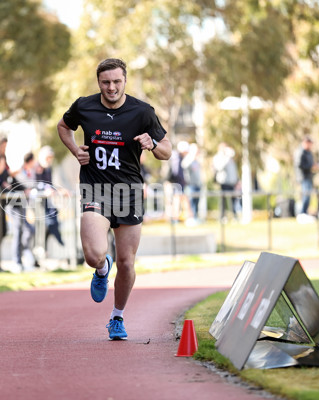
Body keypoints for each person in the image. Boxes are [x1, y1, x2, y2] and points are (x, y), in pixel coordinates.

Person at [57, 58, 172, 340]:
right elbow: (63, 126)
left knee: (128, 262)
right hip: (95, 188)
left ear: (125, 81)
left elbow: (167, 150)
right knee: (93, 255)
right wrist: (75, 150)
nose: (111, 87)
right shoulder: (84, 105)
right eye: (106, 82)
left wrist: (153, 144)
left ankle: (117, 317)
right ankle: (101, 268)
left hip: (128, 192)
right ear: (99, 83)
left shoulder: (142, 112)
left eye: (117, 82)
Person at [35, 145, 64, 250]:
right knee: (45, 225)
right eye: (48, 158)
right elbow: (34, 184)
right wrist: (44, 191)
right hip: (37, 202)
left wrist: (58, 190)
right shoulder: (37, 167)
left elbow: (49, 184)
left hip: (48, 201)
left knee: (53, 221)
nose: (49, 161)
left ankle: (48, 247)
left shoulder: (48, 169)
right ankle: (59, 245)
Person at [212, 143, 239, 221]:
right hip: (223, 182)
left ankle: (234, 216)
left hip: (232, 182)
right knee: (223, 200)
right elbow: (219, 167)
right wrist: (226, 158)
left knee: (233, 200)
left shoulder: (230, 158)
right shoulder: (217, 157)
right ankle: (222, 216)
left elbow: (234, 170)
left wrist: (237, 180)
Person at [295, 136, 319, 218]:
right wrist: (311, 166)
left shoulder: (308, 153)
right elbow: (299, 165)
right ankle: (302, 213)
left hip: (309, 177)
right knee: (305, 196)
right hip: (304, 177)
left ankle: (305, 212)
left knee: (308, 196)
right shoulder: (301, 152)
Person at [182, 142, 202, 224]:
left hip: (197, 184)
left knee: (197, 202)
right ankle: (191, 218)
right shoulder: (188, 159)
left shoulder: (196, 161)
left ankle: (196, 217)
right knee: (191, 202)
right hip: (190, 185)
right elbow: (184, 166)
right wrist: (192, 157)